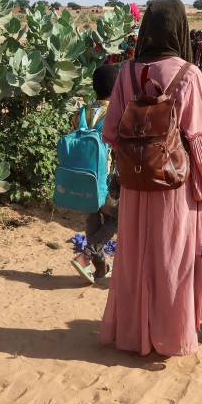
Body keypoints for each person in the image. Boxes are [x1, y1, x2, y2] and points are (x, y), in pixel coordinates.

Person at [100, 0, 202, 357]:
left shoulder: (125, 72)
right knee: (173, 259)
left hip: (136, 182)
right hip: (175, 183)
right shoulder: (189, 73)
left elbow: (111, 132)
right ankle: (170, 335)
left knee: (135, 255)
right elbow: (199, 139)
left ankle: (134, 334)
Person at [71, 64, 121, 283]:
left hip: (82, 176)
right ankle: (86, 256)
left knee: (93, 217)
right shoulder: (117, 113)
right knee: (118, 217)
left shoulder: (82, 112)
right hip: (107, 178)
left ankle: (100, 268)